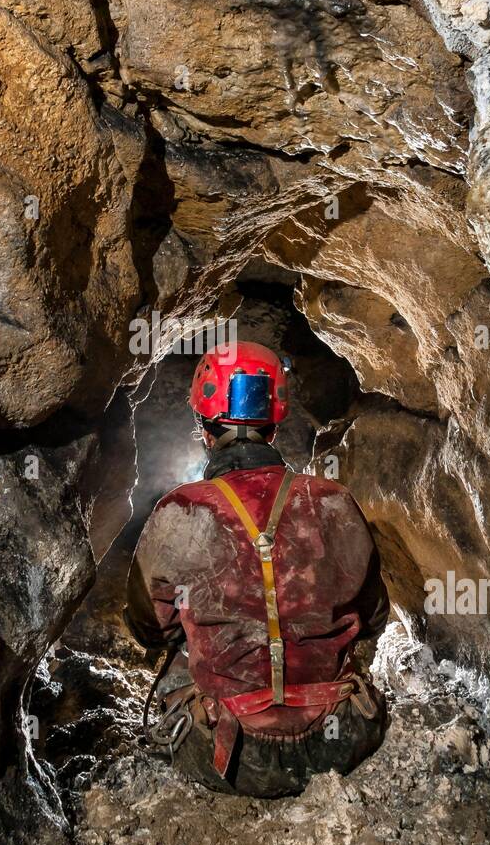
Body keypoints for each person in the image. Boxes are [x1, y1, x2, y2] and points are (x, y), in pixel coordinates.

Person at [124, 341, 390, 797]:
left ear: (205, 429)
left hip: (231, 758)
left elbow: (149, 629)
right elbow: (374, 618)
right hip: (339, 741)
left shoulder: (179, 510)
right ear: (274, 424)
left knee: (179, 657)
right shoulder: (332, 500)